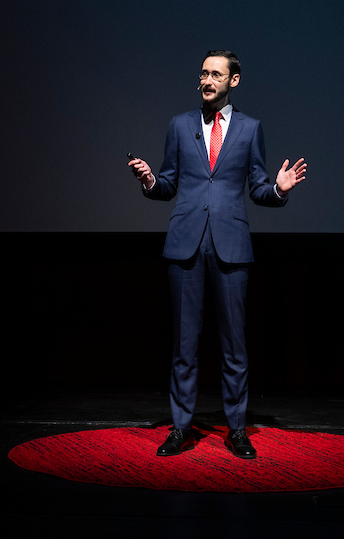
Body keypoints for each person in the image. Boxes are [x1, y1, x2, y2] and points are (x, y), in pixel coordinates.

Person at [128, 50, 306, 460]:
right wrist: (151, 180)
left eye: (215, 74)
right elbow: (168, 183)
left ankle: (237, 429)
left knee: (234, 346)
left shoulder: (250, 128)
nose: (206, 80)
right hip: (185, 243)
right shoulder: (180, 126)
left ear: (234, 81)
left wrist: (278, 188)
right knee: (184, 345)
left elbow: (259, 189)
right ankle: (180, 427)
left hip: (230, 245)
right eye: (203, 73)